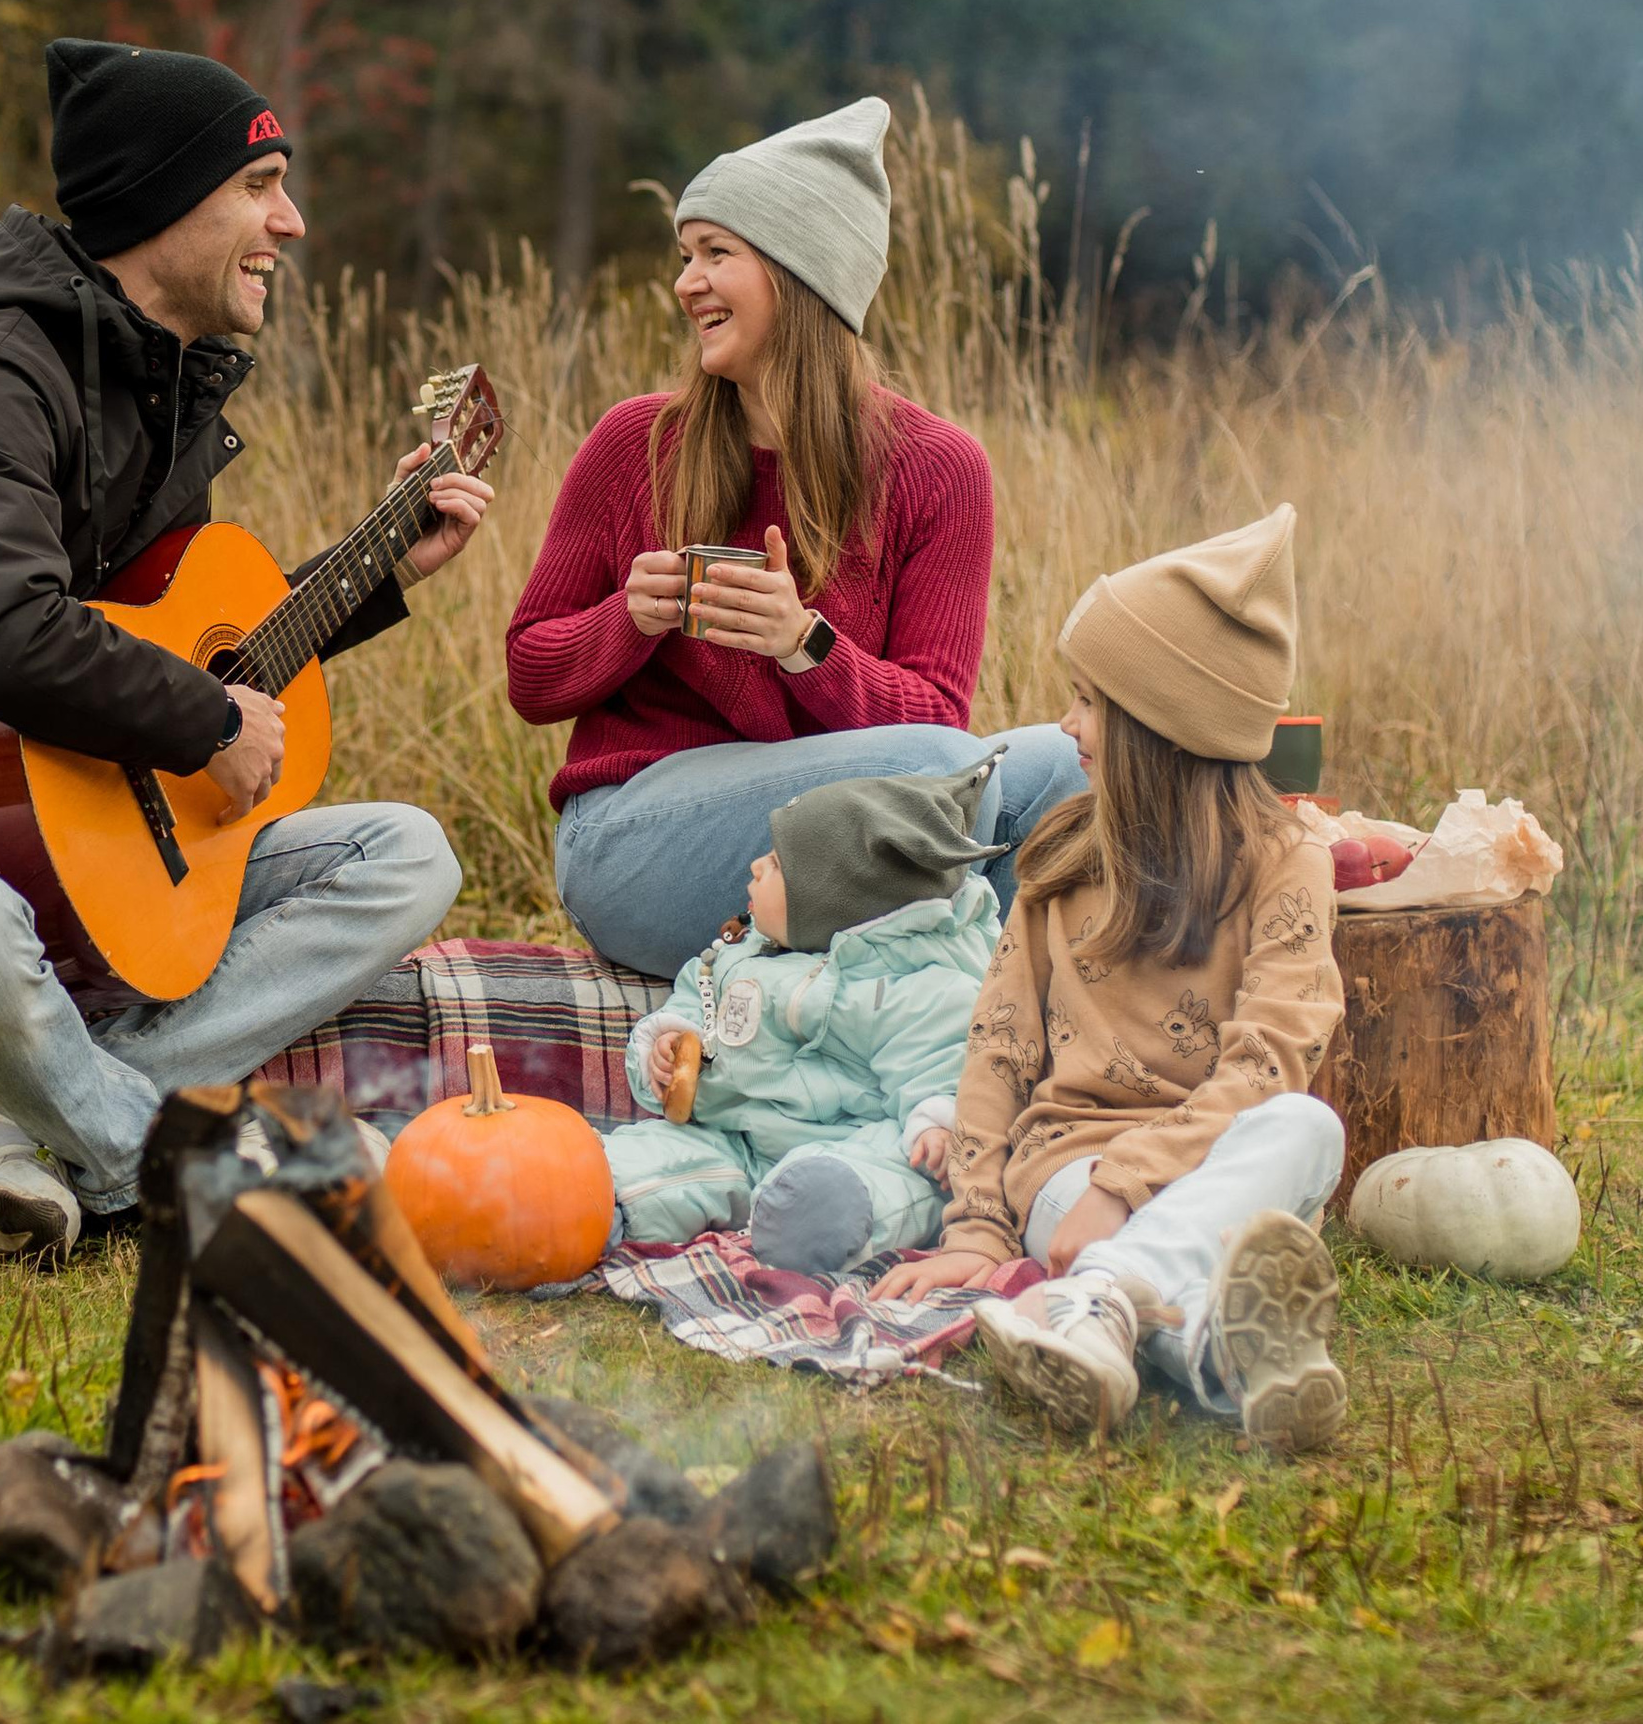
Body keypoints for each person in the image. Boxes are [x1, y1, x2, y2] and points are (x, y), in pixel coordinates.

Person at [0, 40, 491, 1264]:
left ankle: (30, 1132)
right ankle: (170, 1165)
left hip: (91, 850)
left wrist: (374, 572)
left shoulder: (161, 388)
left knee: (405, 854)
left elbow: (176, 642)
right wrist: (207, 725)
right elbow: (1, 631)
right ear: (164, 200)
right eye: (260, 187)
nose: (291, 223)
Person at [506, 96, 1085, 979]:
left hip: (833, 822)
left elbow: (937, 721)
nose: (686, 283)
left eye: (716, 253)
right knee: (945, 772)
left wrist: (804, 646)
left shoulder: (939, 467)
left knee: (1067, 766)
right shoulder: (637, 442)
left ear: (801, 273)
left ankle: (969, 1011)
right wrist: (632, 617)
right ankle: (934, 987)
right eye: (686, 256)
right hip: (635, 839)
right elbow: (531, 674)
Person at [876, 506, 1350, 1454]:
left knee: (1308, 1126)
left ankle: (1095, 1307)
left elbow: (1270, 1062)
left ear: (1164, 723)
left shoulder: (1288, 859)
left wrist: (1134, 1188)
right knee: (1161, 1232)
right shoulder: (1065, 859)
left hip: (1207, 1173)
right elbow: (999, 1052)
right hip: (1073, 1174)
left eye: (1091, 703)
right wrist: (978, 1230)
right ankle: (1211, 1350)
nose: (1067, 725)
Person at [603, 753, 1004, 1274]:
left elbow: (942, 1059)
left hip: (852, 1142)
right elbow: (694, 995)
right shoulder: (744, 949)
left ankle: (816, 1222)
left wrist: (938, 1122)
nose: (755, 866)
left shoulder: (913, 986)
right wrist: (668, 1041)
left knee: (891, 1178)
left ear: (830, 901)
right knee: (657, 1161)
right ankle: (596, 1195)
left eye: (775, 864)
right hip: (736, 1135)